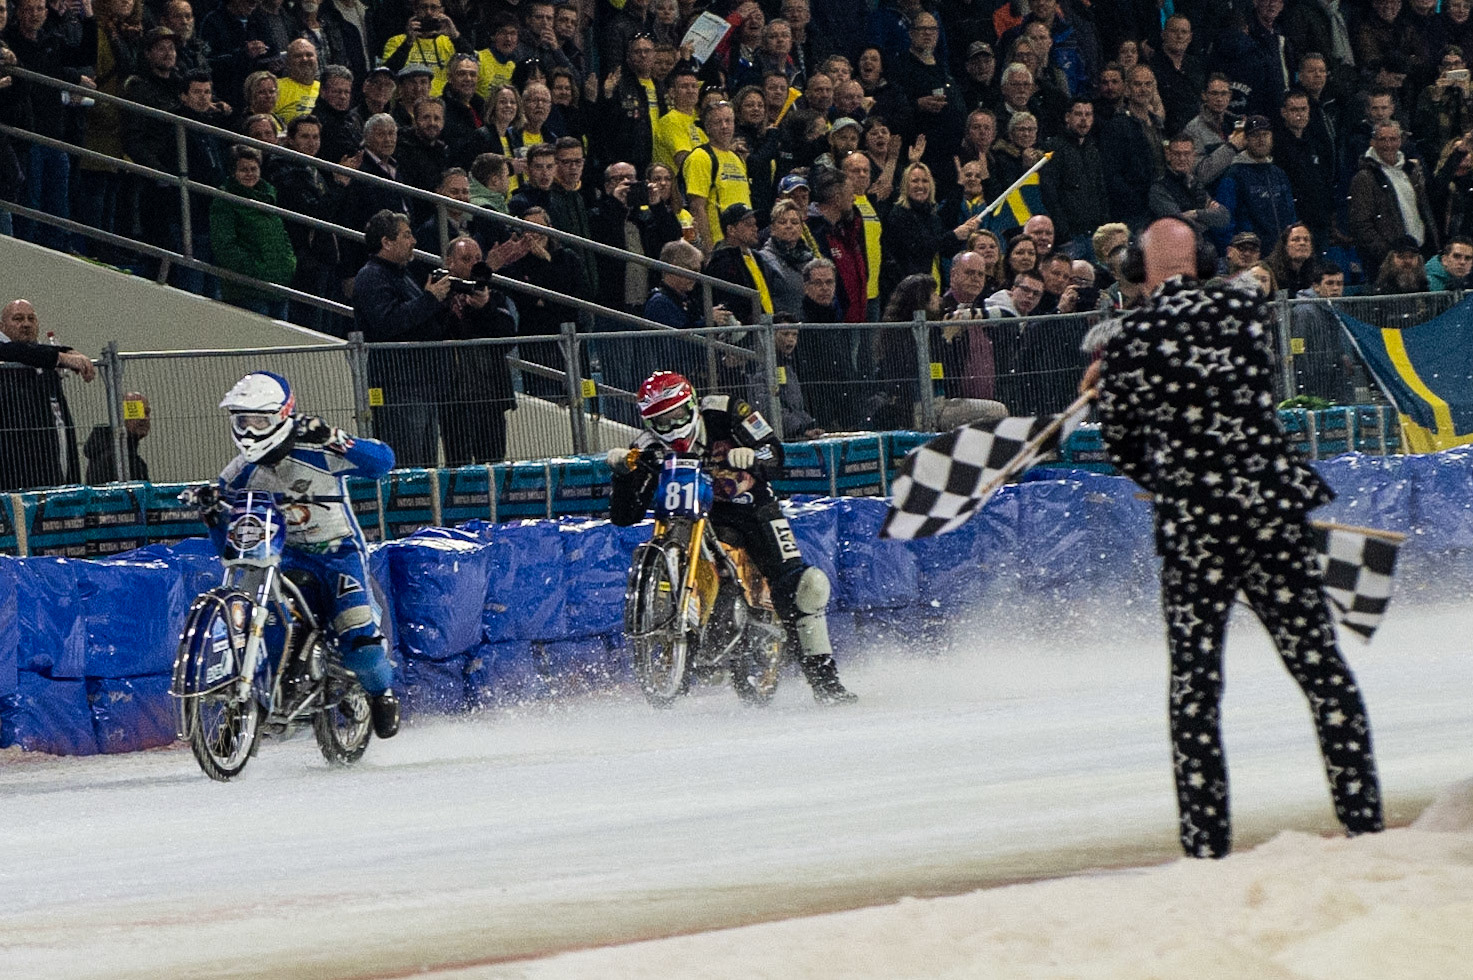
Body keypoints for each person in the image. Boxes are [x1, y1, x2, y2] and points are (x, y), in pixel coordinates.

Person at [1094, 216, 1384, 859]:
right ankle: (1364, 821)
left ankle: (1206, 847)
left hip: (1195, 526)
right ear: (1199, 259)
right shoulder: (1245, 308)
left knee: (1195, 689)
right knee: (1322, 671)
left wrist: (1157, 458)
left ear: (1141, 270)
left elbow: (1122, 444)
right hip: (1273, 511)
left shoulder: (1131, 333)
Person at [606, 370, 855, 705]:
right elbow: (625, 516)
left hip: (751, 507)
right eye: (660, 422)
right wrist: (623, 474)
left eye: (677, 415)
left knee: (802, 586)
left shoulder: (726, 411)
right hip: (690, 517)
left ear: (691, 404)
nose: (671, 426)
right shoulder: (648, 446)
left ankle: (826, 681)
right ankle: (683, 642)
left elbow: (774, 452)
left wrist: (752, 457)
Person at [205, 371, 400, 740]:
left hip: (337, 555)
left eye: (258, 420)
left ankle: (380, 692)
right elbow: (230, 544)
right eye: (242, 420)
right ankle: (256, 702)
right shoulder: (239, 472)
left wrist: (335, 438)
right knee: (258, 623)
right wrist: (213, 514)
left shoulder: (318, 450)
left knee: (359, 638)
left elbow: (382, 462)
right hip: (281, 560)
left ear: (282, 415)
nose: (249, 430)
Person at [351, 209, 452, 467]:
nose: (414, 241)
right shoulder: (371, 276)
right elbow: (388, 323)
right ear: (386, 242)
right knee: (406, 463)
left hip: (423, 383)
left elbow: (423, 323)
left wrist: (444, 304)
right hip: (398, 386)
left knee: (426, 463)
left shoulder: (403, 275)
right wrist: (429, 299)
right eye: (406, 235)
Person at [437, 235, 519, 465]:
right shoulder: (439, 296)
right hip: (453, 398)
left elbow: (508, 339)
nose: (473, 264)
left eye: (477, 259)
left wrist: (486, 309)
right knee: (458, 466)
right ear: (449, 262)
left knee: (494, 465)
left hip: (490, 396)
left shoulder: (495, 297)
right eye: (466, 259)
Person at [0, 299, 95, 492]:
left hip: (53, 462)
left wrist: (64, 351)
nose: (25, 324)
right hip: (14, 473)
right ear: (2, 327)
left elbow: (33, 351)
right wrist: (62, 357)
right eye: (18, 319)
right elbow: (16, 351)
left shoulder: (42, 360)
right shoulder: (9, 353)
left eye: (31, 319)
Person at [748, 320, 823, 441]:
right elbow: (767, 406)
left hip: (791, 431)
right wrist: (799, 428)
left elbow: (795, 406)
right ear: (771, 335)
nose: (791, 339)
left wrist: (808, 425)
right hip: (774, 438)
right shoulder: (761, 366)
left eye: (794, 335)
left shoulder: (787, 365)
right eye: (785, 334)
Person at [84, 391, 150, 484]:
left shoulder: (104, 450)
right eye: (137, 412)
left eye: (147, 413)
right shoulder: (119, 459)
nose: (144, 418)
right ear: (120, 416)